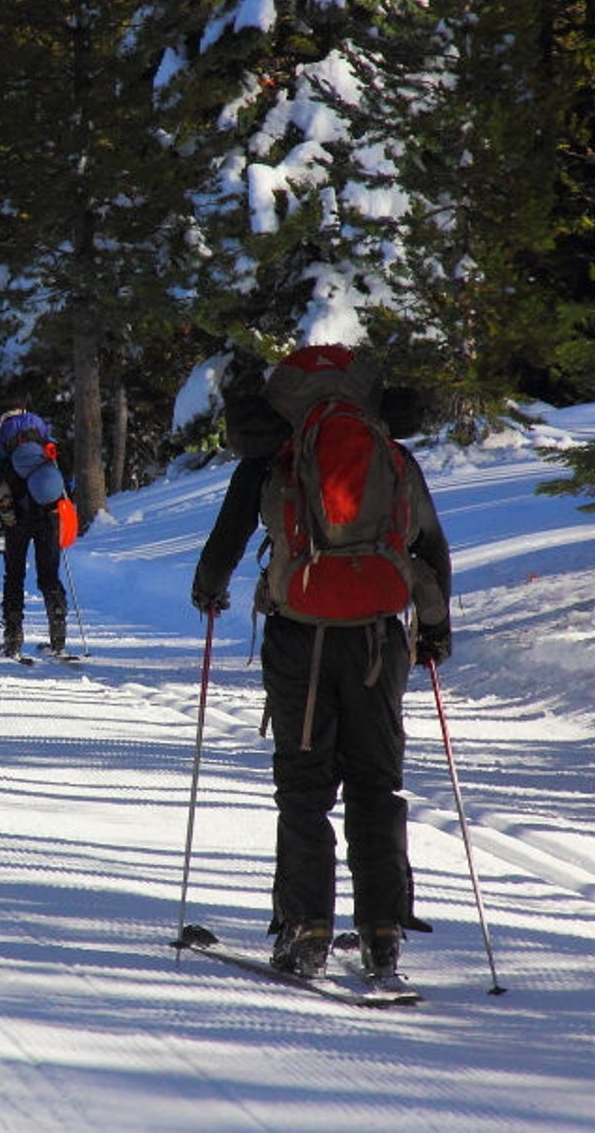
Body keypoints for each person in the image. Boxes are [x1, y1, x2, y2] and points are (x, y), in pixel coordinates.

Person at [190, 347, 452, 980]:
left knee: (305, 787)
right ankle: (382, 930)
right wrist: (434, 633)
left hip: (299, 638)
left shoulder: (272, 459)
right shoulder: (389, 453)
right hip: (377, 641)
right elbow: (431, 544)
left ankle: (306, 929)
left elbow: (224, 542)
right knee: (376, 784)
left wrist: (210, 590)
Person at [0, 402, 70, 658]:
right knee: (49, 575)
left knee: (13, 576)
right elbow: (66, 481)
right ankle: (58, 638)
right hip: (49, 514)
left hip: (15, 519)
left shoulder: (1, 447)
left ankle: (13, 639)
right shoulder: (47, 442)